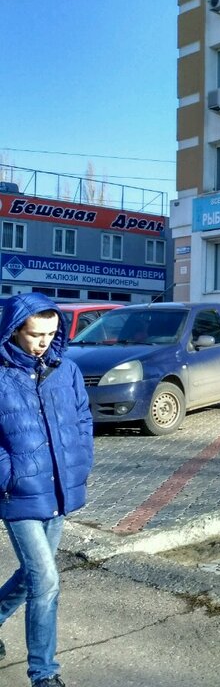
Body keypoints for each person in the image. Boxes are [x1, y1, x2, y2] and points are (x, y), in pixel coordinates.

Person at [0, 293, 94, 687]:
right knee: (46, 581)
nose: (43, 342)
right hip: (18, 495)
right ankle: (44, 673)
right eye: (35, 334)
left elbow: (83, 417)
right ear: (13, 330)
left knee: (32, 575)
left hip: (58, 491)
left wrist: (81, 460)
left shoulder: (65, 369)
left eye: (51, 334)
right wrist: (8, 474)